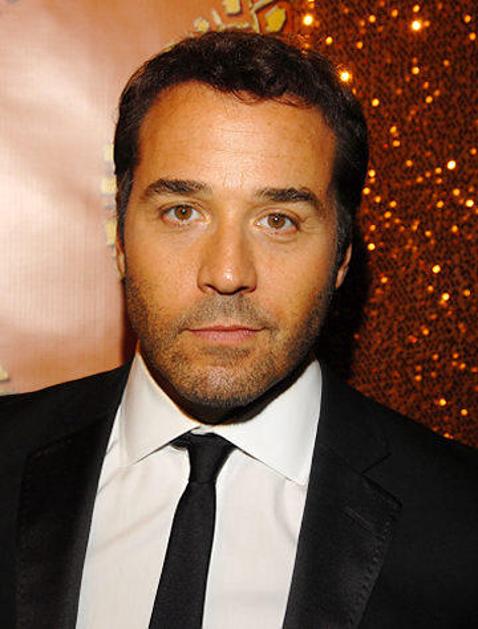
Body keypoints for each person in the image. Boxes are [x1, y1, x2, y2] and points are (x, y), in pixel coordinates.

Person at [0, 31, 477, 629]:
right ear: (120, 236)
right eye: (182, 212)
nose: (227, 274)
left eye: (278, 220)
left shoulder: (462, 523)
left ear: (342, 256)